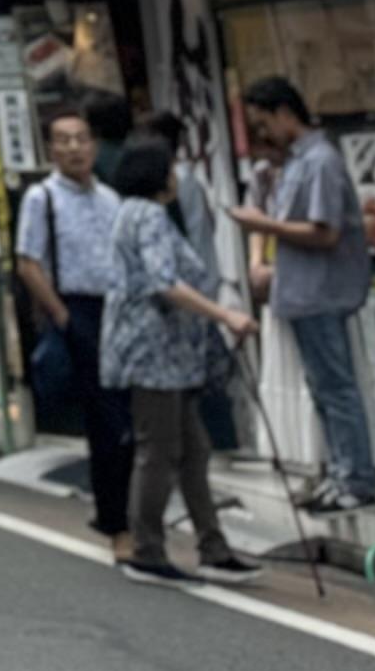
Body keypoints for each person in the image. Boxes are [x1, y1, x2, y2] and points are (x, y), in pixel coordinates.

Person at [100, 139, 263, 586]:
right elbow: (164, 283)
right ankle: (148, 549)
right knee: (160, 449)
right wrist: (225, 314)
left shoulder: (131, 215)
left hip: (165, 354)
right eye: (170, 170)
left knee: (192, 449)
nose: (176, 178)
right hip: (156, 354)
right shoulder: (148, 216)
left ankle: (213, 546)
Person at [227, 76, 375, 509]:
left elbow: (325, 232)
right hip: (300, 290)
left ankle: (355, 479)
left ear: (284, 113)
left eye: (264, 123)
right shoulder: (295, 163)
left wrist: (262, 226)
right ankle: (340, 472)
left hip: (322, 291)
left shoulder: (320, 162)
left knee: (336, 386)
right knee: (323, 387)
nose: (263, 135)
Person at [12, 104, 137, 559]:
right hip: (77, 308)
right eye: (63, 140)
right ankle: (116, 522)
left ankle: (122, 516)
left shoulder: (111, 198)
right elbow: (27, 263)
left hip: (119, 308)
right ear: (51, 150)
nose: (74, 148)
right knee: (106, 421)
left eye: (81, 139)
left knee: (128, 416)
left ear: (94, 145)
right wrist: (63, 317)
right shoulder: (41, 198)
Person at [143, 106, 244, 461]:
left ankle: (218, 446)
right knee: (205, 380)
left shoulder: (173, 184)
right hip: (199, 290)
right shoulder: (184, 182)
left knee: (201, 380)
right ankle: (219, 445)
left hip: (190, 296)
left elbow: (186, 240)